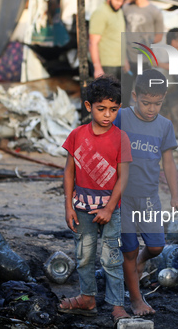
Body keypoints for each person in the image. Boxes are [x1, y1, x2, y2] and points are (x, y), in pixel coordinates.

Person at [58, 76, 132, 324]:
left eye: (113, 109)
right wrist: (68, 205)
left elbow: (123, 178)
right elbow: (69, 171)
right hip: (81, 209)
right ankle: (87, 298)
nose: (107, 115)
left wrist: (110, 209)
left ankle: (117, 304)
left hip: (110, 209)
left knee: (111, 257)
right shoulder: (77, 136)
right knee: (85, 256)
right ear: (89, 106)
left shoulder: (121, 138)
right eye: (101, 109)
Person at [114, 69, 178, 316]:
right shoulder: (121, 117)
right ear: (134, 96)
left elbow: (169, 163)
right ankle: (135, 300)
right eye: (146, 102)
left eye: (157, 103)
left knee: (156, 246)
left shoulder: (164, 126)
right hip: (122, 198)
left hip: (149, 197)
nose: (151, 108)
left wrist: (174, 196)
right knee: (128, 250)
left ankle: (141, 263)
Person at [123, 0, 164, 106]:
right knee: (124, 96)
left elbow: (159, 36)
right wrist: (123, 59)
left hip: (145, 61)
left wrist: (148, 40)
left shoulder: (155, 11)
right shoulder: (125, 9)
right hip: (127, 60)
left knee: (145, 96)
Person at [89, 0, 126, 79]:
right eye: (117, 0)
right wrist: (97, 68)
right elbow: (93, 42)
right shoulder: (101, 13)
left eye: (122, 0)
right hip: (106, 65)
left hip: (119, 64)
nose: (120, 3)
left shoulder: (119, 10)